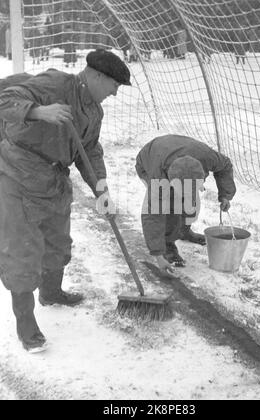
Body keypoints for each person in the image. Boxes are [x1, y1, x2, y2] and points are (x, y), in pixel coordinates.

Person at [0, 49, 131, 353]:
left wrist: (102, 189)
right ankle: (26, 324)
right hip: (18, 174)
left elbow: (90, 151)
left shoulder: (94, 112)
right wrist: (39, 111)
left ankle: (51, 292)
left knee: (58, 241)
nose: (114, 92)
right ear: (96, 76)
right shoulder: (54, 84)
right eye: (113, 85)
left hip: (54, 177)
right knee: (23, 249)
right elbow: (4, 100)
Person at [135, 135, 236, 276]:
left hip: (178, 150)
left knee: (189, 202)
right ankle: (168, 244)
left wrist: (225, 195)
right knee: (171, 205)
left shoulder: (208, 157)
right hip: (148, 160)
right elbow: (153, 216)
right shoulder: (159, 179)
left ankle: (183, 230)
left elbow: (225, 165)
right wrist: (158, 256)